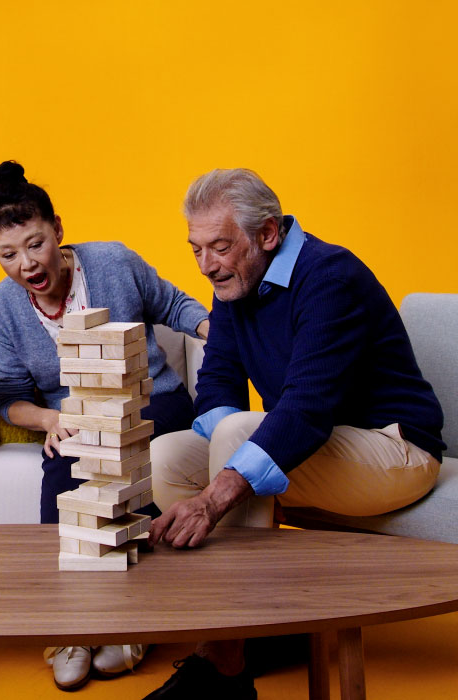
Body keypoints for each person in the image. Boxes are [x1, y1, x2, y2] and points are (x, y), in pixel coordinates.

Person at [140, 169, 445, 699]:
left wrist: (214, 498)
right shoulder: (237, 282)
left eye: (219, 246)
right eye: (195, 249)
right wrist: (219, 460)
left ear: (268, 234)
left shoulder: (330, 276)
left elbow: (306, 409)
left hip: (396, 449)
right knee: (166, 457)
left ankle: (225, 661)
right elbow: (216, 383)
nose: (206, 265)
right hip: (322, 448)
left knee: (238, 435)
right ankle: (261, 629)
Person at [0, 160, 211, 690]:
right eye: (7, 254)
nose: (26, 264)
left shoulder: (111, 261)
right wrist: (51, 418)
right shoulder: (6, 308)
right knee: (61, 478)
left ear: (58, 228)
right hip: (75, 419)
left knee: (130, 461)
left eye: (35, 244)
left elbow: (172, 302)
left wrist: (209, 326)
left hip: (154, 401)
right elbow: (10, 399)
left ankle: (133, 622)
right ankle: (69, 628)